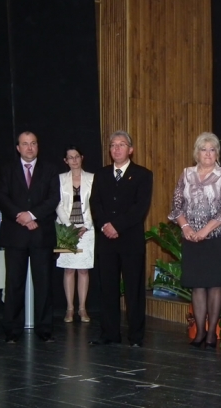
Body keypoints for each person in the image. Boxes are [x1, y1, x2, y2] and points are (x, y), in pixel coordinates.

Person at [169, 132, 221, 348]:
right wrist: (186, 227)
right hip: (191, 238)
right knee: (197, 286)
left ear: (217, 153)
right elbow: (176, 205)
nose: (208, 153)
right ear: (196, 153)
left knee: (214, 285)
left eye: (212, 149)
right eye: (203, 149)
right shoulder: (186, 174)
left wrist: (205, 230)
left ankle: (211, 335)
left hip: (216, 238)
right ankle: (199, 332)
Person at [89, 130, 153, 347]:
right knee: (107, 289)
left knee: (134, 290)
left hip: (130, 240)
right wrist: (105, 225)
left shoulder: (143, 175)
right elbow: (95, 203)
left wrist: (117, 226)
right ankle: (109, 333)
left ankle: (136, 336)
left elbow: (140, 207)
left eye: (121, 145)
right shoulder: (101, 174)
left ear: (130, 150)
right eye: (113, 145)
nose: (116, 149)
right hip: (106, 240)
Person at [0, 131, 60, 343]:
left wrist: (32, 215)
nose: (30, 147)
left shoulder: (50, 169)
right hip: (15, 235)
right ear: (18, 148)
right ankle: (12, 331)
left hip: (41, 234)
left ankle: (45, 330)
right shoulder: (7, 169)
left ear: (38, 146)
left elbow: (53, 198)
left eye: (33, 143)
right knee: (14, 284)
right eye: (25, 144)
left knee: (44, 285)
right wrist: (21, 216)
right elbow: (2, 198)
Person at [55, 146, 95, 323]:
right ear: (65, 161)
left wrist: (86, 226)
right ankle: (70, 308)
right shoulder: (60, 179)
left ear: (82, 157)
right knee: (69, 269)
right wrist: (70, 226)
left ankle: (82, 308)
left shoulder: (92, 178)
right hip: (66, 229)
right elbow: (57, 204)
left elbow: (95, 204)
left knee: (84, 270)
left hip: (87, 229)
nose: (74, 160)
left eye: (77, 156)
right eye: (70, 157)